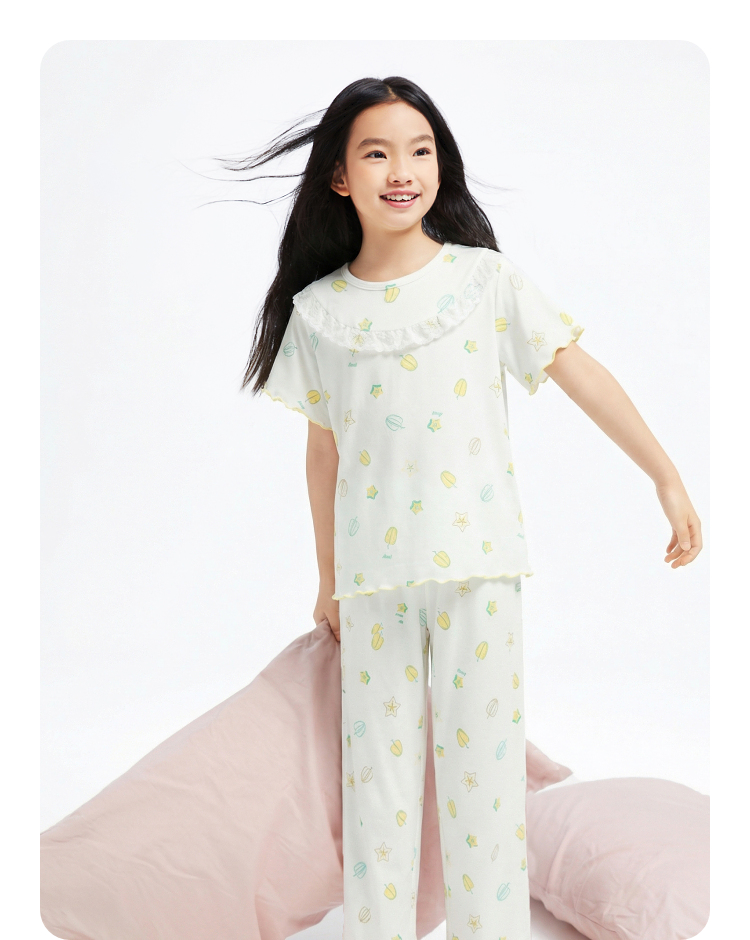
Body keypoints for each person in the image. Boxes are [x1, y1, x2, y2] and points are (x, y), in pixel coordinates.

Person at [234, 76, 702, 940]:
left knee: (484, 785)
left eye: (420, 151)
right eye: (377, 153)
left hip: (479, 569)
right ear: (340, 176)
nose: (402, 171)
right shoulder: (319, 312)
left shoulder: (485, 282)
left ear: (440, 165)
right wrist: (328, 578)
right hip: (374, 585)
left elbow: (579, 373)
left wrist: (664, 476)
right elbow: (322, 452)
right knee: (377, 786)